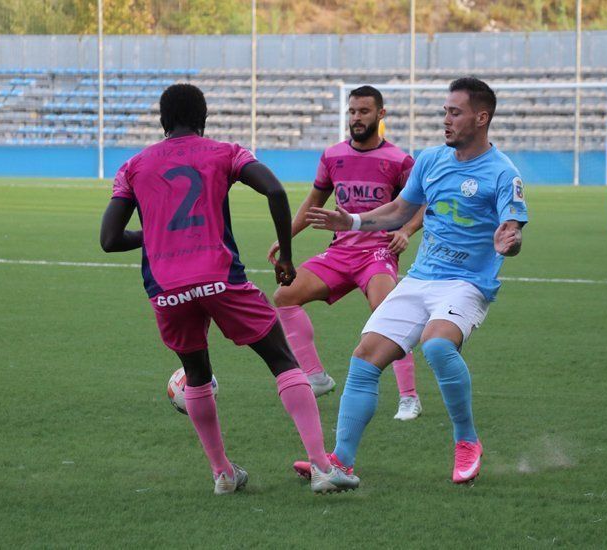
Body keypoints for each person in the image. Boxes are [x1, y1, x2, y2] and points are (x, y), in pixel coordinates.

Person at [99, 83, 358, 495]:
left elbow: (109, 239)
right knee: (281, 359)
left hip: (165, 287)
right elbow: (274, 189)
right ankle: (323, 467)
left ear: (163, 122)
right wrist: (287, 256)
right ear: (203, 119)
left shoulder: (133, 166)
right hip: (220, 276)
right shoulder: (225, 152)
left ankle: (222, 474)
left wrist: (155, 236)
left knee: (197, 376)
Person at [294, 77, 528, 485]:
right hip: (420, 279)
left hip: (467, 283)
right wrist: (349, 221)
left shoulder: (504, 173)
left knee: (437, 345)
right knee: (364, 356)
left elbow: (512, 230)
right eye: (445, 112)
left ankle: (467, 441)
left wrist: (509, 241)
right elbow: (400, 210)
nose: (447, 120)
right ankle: (342, 464)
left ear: (481, 117)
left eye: (455, 112)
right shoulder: (431, 159)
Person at [267, 85, 426, 421]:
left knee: (389, 312)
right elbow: (314, 202)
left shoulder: (399, 160)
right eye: (352, 111)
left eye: (364, 111)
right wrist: (287, 239)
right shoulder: (332, 156)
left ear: (380, 115)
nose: (356, 117)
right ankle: (316, 376)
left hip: (377, 253)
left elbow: (423, 204)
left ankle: (409, 397)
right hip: (340, 253)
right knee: (284, 296)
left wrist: (405, 230)